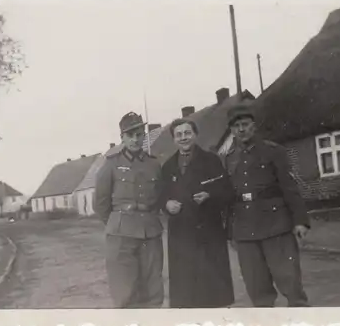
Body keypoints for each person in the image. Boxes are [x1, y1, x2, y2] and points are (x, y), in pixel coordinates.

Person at [223, 104, 311, 308]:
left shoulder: (273, 151)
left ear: (254, 126)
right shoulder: (229, 158)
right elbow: (228, 196)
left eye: (245, 124)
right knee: (258, 291)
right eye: (236, 127)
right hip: (245, 230)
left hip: (276, 226)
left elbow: (290, 187)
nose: (241, 130)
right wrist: (230, 231)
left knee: (291, 286)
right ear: (232, 130)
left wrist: (300, 221)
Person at [160, 118, 235, 308]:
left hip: (208, 232)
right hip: (181, 234)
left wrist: (210, 195)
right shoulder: (167, 166)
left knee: (212, 289)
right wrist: (166, 204)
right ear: (174, 139)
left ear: (195, 135)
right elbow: (160, 195)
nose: (183, 138)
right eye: (179, 134)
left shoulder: (211, 160)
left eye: (187, 133)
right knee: (185, 289)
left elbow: (227, 191)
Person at [94, 112, 164, 308]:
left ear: (144, 135)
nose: (135, 139)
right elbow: (101, 204)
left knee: (153, 291)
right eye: (130, 134)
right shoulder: (111, 164)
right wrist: (118, 222)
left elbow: (159, 196)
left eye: (139, 134)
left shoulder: (153, 164)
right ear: (122, 137)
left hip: (150, 233)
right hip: (121, 235)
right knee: (125, 292)